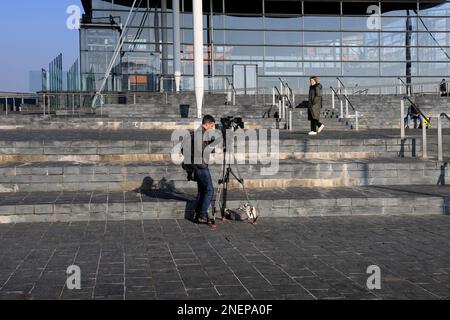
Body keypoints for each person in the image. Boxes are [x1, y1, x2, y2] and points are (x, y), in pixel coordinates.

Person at [192, 115, 216, 226]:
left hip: (198, 165)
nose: (212, 128)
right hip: (200, 166)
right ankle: (202, 215)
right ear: (207, 124)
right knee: (210, 190)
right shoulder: (199, 134)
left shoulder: (200, 133)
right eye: (212, 126)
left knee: (202, 191)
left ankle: (197, 214)